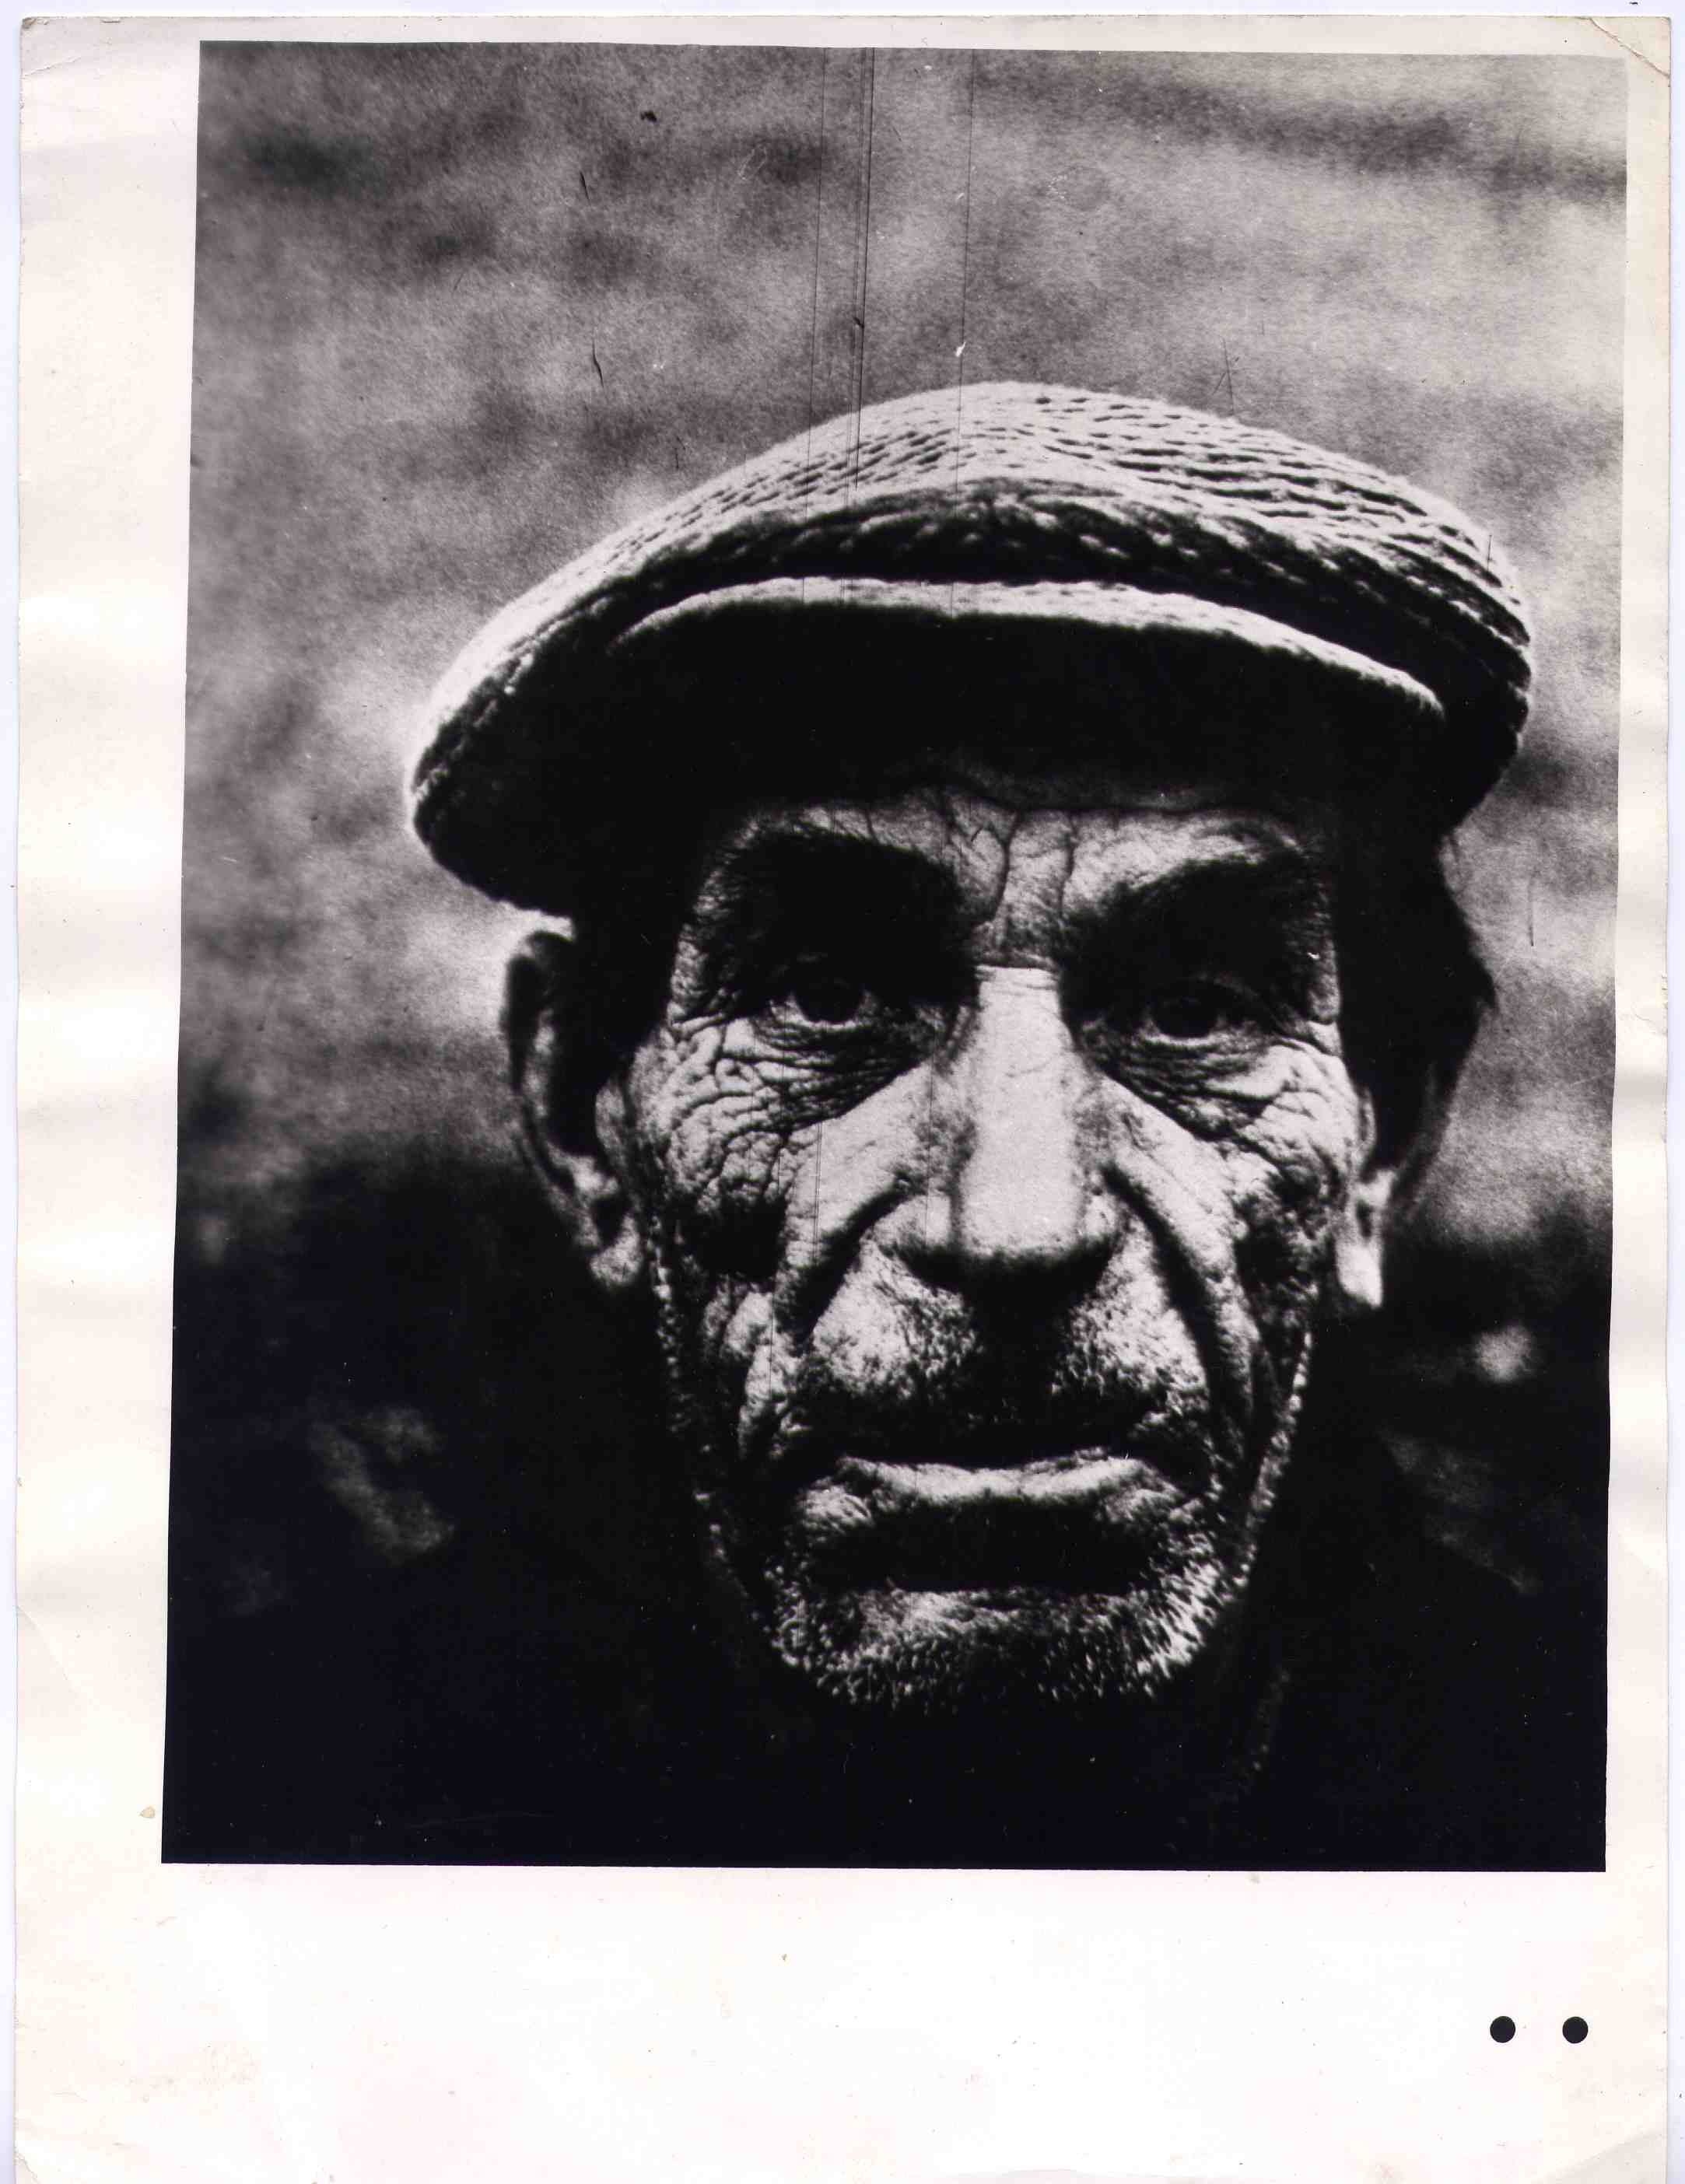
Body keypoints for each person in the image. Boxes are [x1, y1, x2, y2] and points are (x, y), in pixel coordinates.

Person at [166, 384, 1604, 1867]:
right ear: (582, 1115)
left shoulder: (1599, 1803)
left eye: (1192, 1010)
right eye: (825, 995)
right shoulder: (258, 1796)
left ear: (1380, 1140)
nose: (1016, 1228)